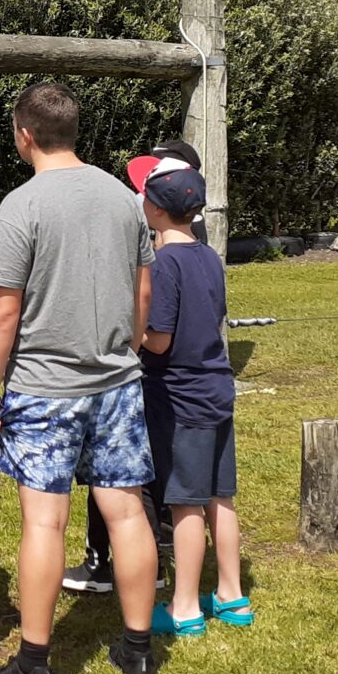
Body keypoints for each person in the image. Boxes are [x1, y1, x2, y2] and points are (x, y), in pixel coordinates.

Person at [0, 82, 159, 674]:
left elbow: (3, 312)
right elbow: (143, 293)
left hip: (43, 387)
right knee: (128, 511)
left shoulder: (21, 206)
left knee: (45, 521)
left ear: (24, 134)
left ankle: (34, 663)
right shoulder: (123, 199)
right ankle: (138, 651)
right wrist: (128, 348)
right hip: (116, 382)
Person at [66, 138, 205, 595]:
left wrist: (126, 337)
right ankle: (154, 558)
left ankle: (108, 563)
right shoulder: (198, 250)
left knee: (121, 472)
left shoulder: (165, 256)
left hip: (143, 370)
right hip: (186, 381)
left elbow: (149, 315)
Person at [134, 164, 253, 637]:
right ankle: (231, 594)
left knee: (184, 502)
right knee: (220, 497)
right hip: (217, 387)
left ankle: (184, 606)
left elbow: (159, 341)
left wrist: (129, 332)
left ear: (156, 210)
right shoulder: (209, 257)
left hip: (179, 395)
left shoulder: (165, 265)